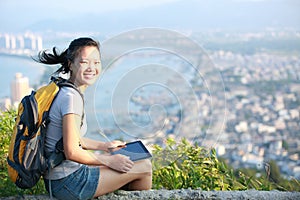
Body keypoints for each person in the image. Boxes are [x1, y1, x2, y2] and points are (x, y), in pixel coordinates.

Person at [35, 37, 152, 200]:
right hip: (68, 183)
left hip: (59, 179)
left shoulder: (64, 90)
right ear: (71, 64)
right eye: (84, 62)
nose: (92, 68)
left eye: (96, 62)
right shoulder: (71, 98)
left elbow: (73, 140)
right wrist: (108, 161)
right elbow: (71, 151)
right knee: (144, 167)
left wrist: (105, 146)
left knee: (131, 166)